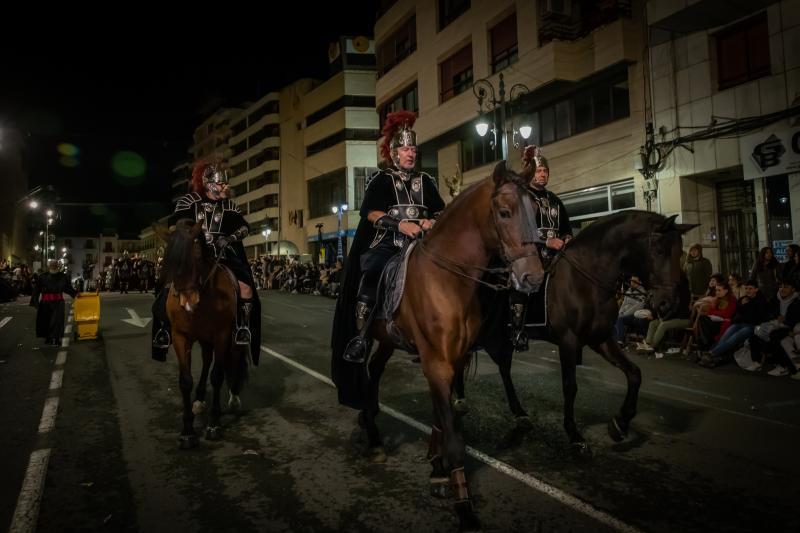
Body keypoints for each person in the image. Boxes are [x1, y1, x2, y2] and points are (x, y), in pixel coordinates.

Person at [331, 110, 445, 368]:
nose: (411, 153)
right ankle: (360, 337)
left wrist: (432, 221)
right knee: (373, 272)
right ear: (394, 154)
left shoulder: (426, 181)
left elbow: (441, 212)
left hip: (423, 245)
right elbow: (370, 213)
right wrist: (401, 224)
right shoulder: (381, 179)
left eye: (413, 149)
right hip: (387, 244)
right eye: (405, 149)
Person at [151, 158, 262, 361]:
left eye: (225, 183)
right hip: (194, 253)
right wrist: (185, 236)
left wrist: (229, 239)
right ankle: (163, 330)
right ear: (209, 184)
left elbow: (245, 227)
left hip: (223, 256)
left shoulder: (230, 206)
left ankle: (241, 327)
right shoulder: (189, 201)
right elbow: (175, 220)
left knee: (246, 288)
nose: (226, 186)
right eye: (222, 183)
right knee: (164, 285)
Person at [509, 145, 573, 351]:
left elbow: (566, 228)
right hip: (531, 255)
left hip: (557, 256)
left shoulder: (555, 200)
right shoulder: (523, 197)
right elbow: (521, 231)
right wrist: (546, 242)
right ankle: (518, 330)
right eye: (538, 171)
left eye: (545, 171)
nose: (543, 174)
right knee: (522, 284)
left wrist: (567, 239)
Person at [30, 260, 77, 346]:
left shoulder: (63, 277)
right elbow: (37, 290)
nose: (53, 266)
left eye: (55, 265)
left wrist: (76, 294)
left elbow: (68, 288)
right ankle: (48, 337)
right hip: (45, 303)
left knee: (56, 321)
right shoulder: (42, 277)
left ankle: (55, 339)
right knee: (46, 321)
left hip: (58, 303)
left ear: (57, 266)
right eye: (52, 265)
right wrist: (35, 302)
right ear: (49, 266)